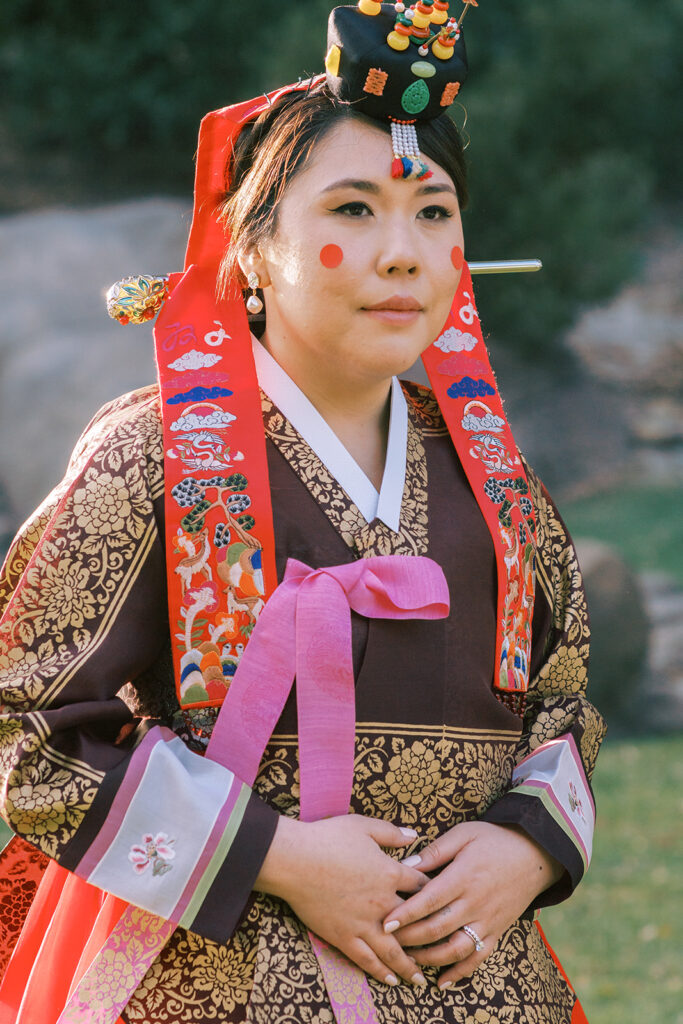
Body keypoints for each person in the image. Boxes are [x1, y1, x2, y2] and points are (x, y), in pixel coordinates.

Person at [0, 4, 604, 1022]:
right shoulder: (150, 457)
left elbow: (563, 702)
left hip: (474, 984)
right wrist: (277, 854)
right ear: (253, 247)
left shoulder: (498, 482)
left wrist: (524, 845)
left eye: (433, 212)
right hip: (220, 980)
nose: (404, 253)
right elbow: (27, 724)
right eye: (353, 211)